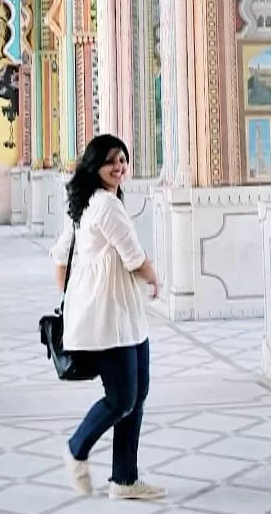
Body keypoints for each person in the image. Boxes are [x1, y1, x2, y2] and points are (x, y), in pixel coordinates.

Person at [51, 134, 166, 502]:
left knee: (138, 394)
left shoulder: (85, 202)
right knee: (121, 399)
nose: (119, 167)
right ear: (95, 166)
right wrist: (154, 278)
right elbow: (134, 257)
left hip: (124, 313)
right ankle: (76, 447)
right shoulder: (105, 205)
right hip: (109, 317)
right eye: (111, 162)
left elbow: (60, 257)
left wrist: (71, 298)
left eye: (122, 160)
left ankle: (124, 479)